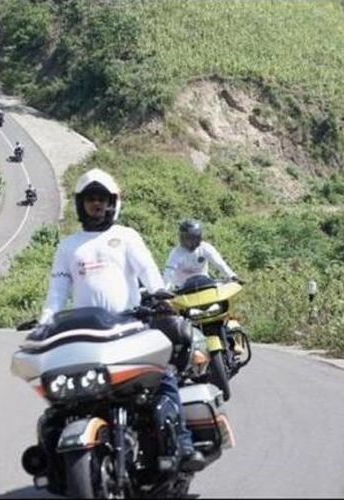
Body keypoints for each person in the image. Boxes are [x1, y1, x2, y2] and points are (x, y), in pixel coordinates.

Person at [39, 167, 206, 472]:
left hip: (130, 327)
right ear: (81, 204)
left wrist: (158, 294)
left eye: (102, 198)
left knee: (162, 378)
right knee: (63, 397)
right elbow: (58, 289)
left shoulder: (126, 236)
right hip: (85, 334)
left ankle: (182, 442)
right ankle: (54, 459)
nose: (96, 204)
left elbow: (148, 271)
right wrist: (46, 319)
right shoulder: (68, 246)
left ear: (112, 202)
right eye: (90, 198)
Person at [163, 219, 238, 290]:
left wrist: (231, 275)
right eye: (189, 239)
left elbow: (219, 263)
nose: (192, 242)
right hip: (182, 288)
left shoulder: (205, 248)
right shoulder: (176, 253)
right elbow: (169, 272)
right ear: (182, 238)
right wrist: (165, 288)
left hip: (204, 285)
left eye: (195, 239)